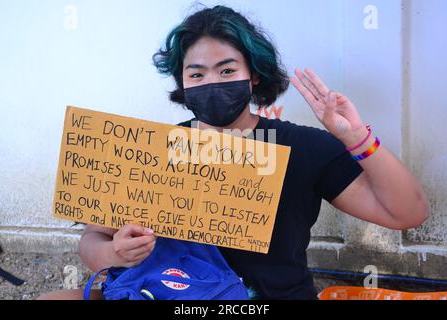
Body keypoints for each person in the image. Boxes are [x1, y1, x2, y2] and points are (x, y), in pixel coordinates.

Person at [38, 5, 428, 300]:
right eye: (197, 74)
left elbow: (407, 212)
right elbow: (91, 242)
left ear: (253, 76)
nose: (211, 82)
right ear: (182, 83)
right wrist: (116, 253)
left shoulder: (303, 147)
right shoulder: (150, 150)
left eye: (226, 71)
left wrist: (357, 138)